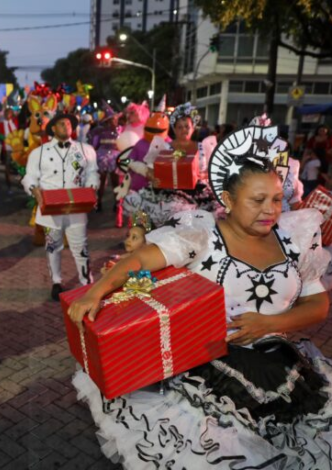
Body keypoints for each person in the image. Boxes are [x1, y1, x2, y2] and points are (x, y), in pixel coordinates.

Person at [68, 125, 332, 469]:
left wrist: (272, 323)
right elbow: (141, 259)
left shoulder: (295, 240)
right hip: (207, 374)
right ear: (228, 199)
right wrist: (95, 291)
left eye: (276, 199)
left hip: (283, 368)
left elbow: (318, 304)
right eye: (257, 200)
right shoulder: (201, 236)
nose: (270, 210)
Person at [22, 112, 100, 301]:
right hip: (51, 207)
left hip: (77, 206)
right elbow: (29, 177)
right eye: (61, 124)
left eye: (68, 123)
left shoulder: (86, 149)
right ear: (53, 129)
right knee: (52, 246)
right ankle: (56, 281)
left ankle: (86, 282)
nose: (66, 126)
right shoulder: (38, 153)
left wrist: (92, 187)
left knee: (80, 247)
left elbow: (92, 172)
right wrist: (34, 190)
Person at [89, 105, 120, 213]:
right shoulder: (99, 131)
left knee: (115, 182)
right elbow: (94, 144)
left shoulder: (119, 130)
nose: (115, 121)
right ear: (108, 120)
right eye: (113, 119)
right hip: (102, 158)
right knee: (101, 182)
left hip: (114, 158)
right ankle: (99, 203)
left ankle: (117, 204)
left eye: (116, 119)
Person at [100, 210, 150, 275]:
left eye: (134, 237)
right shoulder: (121, 259)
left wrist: (108, 275)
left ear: (145, 243)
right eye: (128, 236)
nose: (128, 240)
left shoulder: (144, 262)